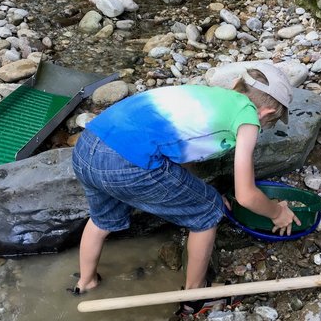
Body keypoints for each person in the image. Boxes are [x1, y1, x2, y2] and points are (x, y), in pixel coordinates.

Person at [68, 63, 301, 316]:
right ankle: (195, 297)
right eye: (271, 122)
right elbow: (245, 195)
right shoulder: (248, 118)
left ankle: (86, 281)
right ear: (266, 112)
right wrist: (277, 213)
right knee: (207, 210)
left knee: (102, 220)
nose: (265, 126)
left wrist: (196, 189)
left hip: (87, 146)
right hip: (126, 164)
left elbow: (180, 150)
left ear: (236, 85)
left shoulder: (207, 96)